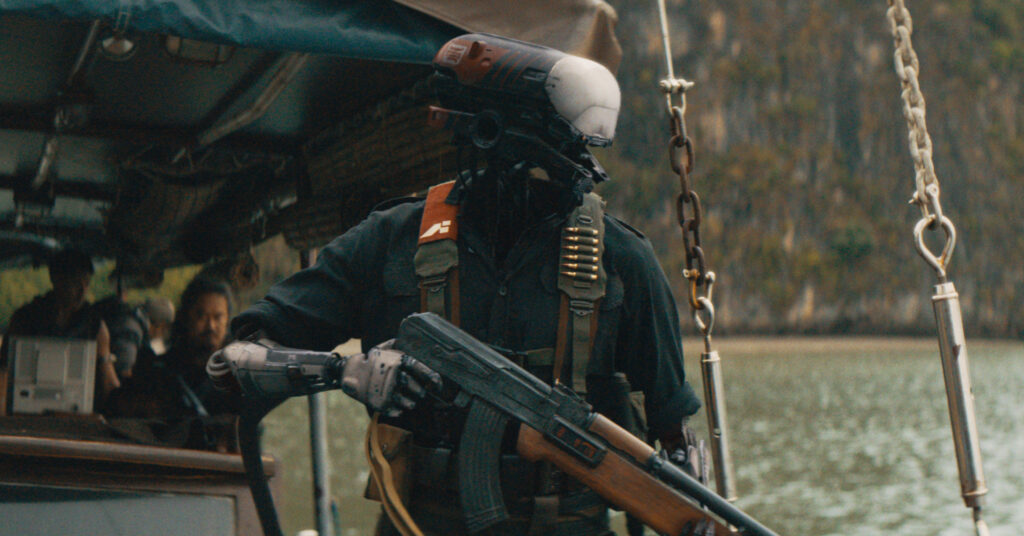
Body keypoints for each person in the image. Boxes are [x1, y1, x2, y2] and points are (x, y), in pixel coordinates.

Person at [222, 34, 703, 535]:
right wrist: (345, 371)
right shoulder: (390, 241)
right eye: (554, 154)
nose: (575, 173)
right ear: (490, 137)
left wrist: (691, 503)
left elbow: (676, 436)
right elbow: (233, 364)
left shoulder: (622, 261)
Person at [106, 277, 239, 449]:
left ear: (227, 321)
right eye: (201, 315)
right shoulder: (159, 370)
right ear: (186, 317)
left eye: (218, 317)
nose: (211, 326)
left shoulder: (236, 381)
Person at [0, 248, 120, 413]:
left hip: (78, 416)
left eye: (86, 283)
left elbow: (109, 381)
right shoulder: (25, 318)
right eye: (76, 282)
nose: (82, 290)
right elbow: (3, 371)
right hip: (24, 412)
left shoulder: (95, 325)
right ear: (56, 279)